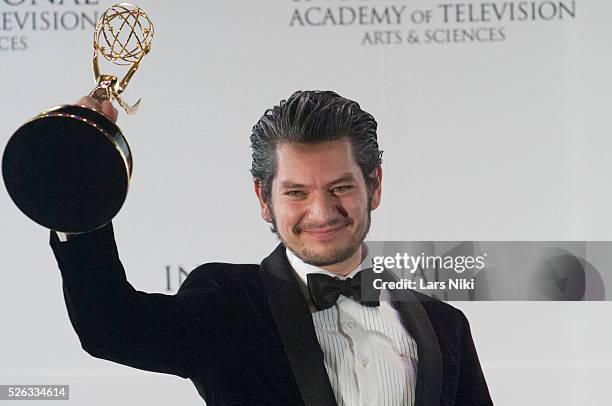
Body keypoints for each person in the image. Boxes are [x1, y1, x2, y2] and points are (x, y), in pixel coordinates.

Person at [50, 91, 493, 406]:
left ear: (373, 186)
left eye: (340, 187)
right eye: (297, 192)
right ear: (263, 198)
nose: (321, 213)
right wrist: (82, 182)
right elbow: (110, 325)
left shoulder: (445, 325)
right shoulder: (227, 303)